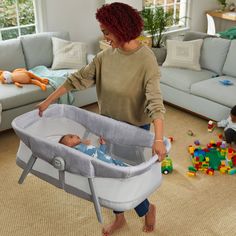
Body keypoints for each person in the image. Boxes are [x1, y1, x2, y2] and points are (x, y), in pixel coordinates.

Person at [37, 2, 166, 235]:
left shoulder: (146, 60)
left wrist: (158, 139)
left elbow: (155, 102)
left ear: (121, 28)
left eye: (106, 31)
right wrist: (49, 101)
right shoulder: (104, 57)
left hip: (133, 129)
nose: (104, 36)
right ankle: (120, 218)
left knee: (126, 176)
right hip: (106, 125)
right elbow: (76, 79)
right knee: (107, 172)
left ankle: (147, 209)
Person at [59, 134, 128, 167]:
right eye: (71, 137)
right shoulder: (75, 150)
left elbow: (99, 153)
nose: (74, 135)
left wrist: (103, 145)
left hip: (110, 160)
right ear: (69, 146)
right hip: (105, 165)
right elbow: (80, 155)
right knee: (121, 171)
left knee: (124, 165)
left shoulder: (84, 146)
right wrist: (82, 143)